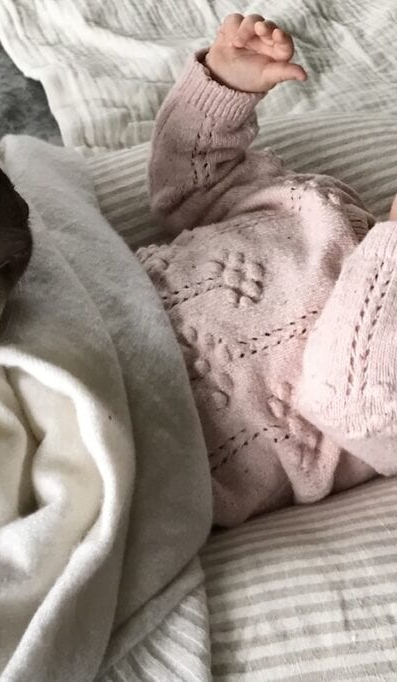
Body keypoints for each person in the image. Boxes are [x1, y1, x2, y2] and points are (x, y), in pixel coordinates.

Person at [140, 13, 397, 526]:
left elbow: (351, 403)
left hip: (143, 445)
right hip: (89, 309)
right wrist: (225, 85)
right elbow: (189, 192)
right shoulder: (316, 206)